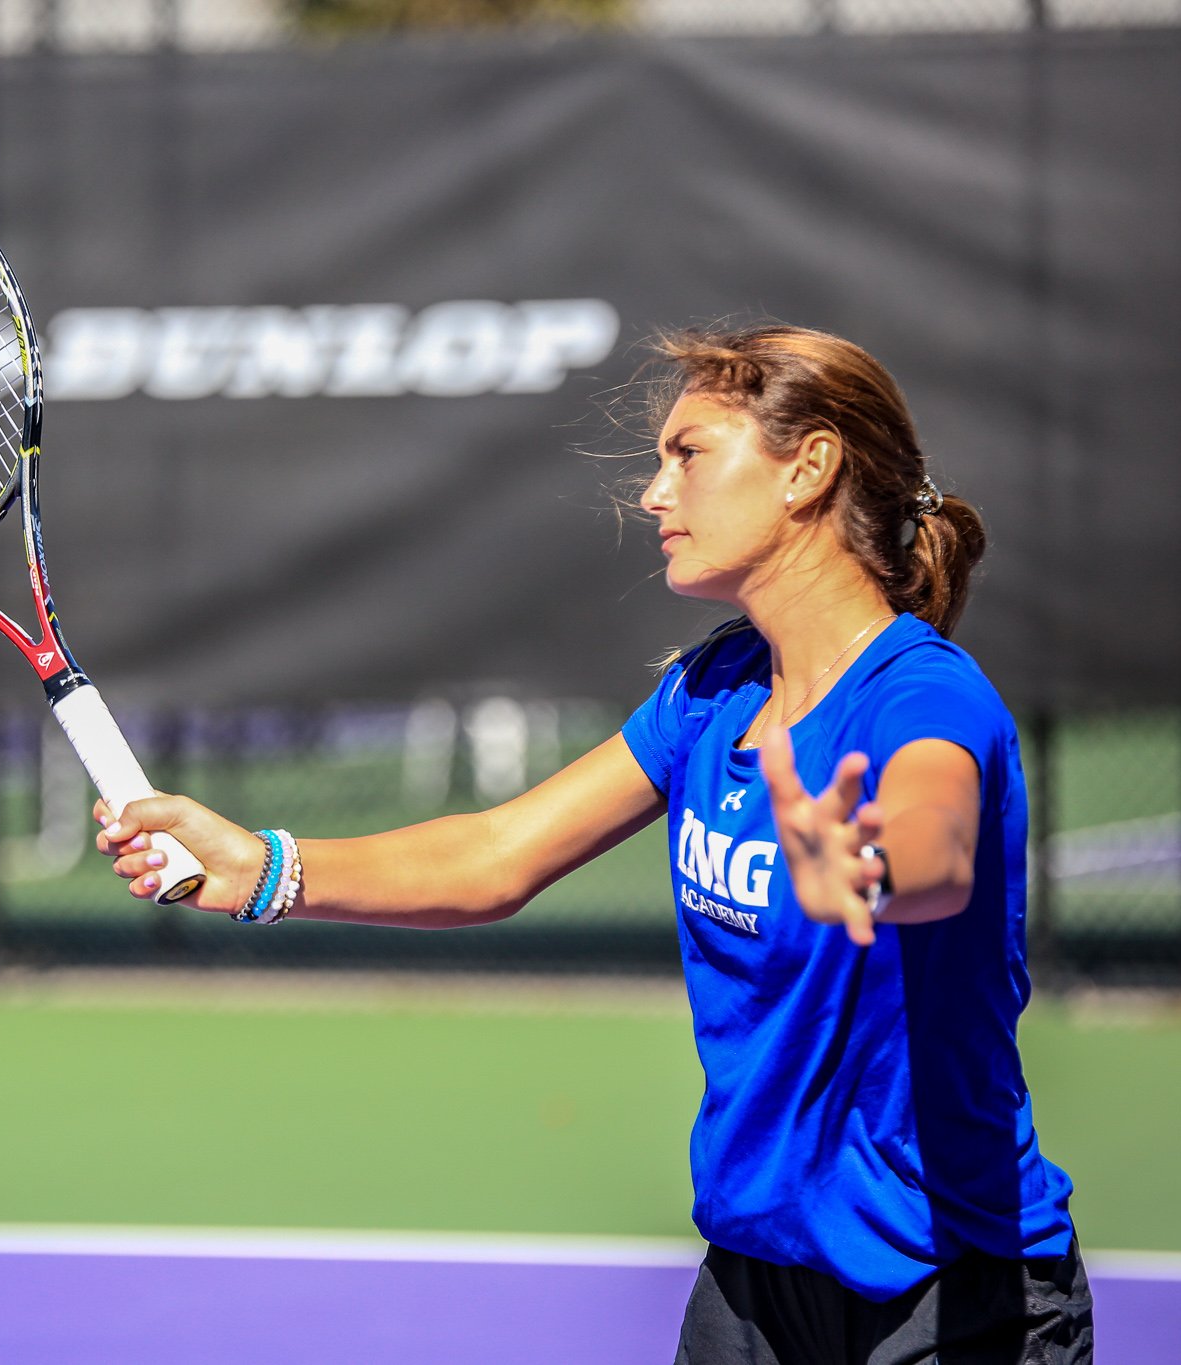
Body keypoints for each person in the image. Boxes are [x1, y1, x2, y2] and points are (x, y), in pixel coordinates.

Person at [94, 324, 1093, 1364]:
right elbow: (496, 855)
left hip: (955, 1301)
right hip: (755, 1290)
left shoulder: (921, 693)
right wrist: (264, 869)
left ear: (807, 468)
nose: (652, 494)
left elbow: (932, 843)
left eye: (687, 454)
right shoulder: (710, 692)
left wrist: (875, 866)